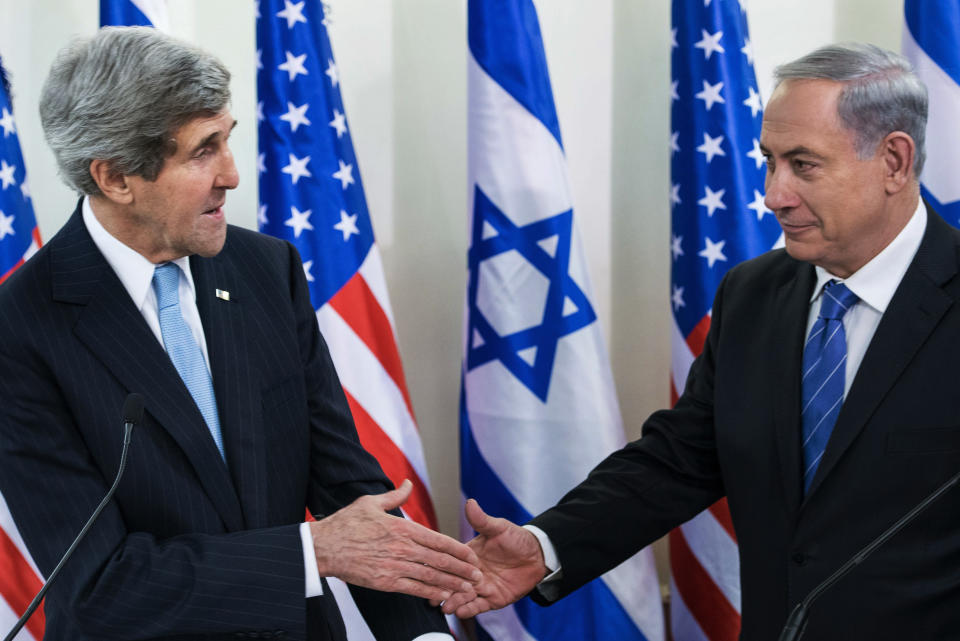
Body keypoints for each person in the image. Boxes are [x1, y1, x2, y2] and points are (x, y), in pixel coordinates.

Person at [442, 43, 960, 640]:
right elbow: (682, 459)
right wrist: (545, 545)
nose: (773, 194)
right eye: (769, 161)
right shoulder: (752, 294)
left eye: (803, 164)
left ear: (894, 160)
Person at [0, 27, 479, 641]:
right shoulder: (22, 327)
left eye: (228, 140)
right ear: (115, 178)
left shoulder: (265, 269)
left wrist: (422, 635)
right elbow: (97, 587)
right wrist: (313, 553)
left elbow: (349, 491)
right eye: (202, 152)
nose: (231, 175)